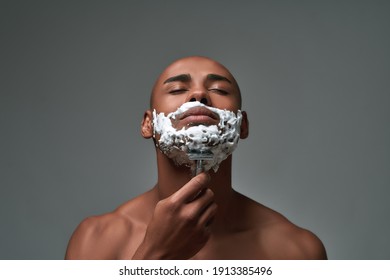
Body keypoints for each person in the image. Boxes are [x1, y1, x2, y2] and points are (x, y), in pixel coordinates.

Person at [65, 56, 327, 260]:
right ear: (148, 124)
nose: (199, 95)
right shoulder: (96, 241)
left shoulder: (296, 252)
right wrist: (155, 255)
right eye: (178, 88)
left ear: (242, 125)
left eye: (219, 90)